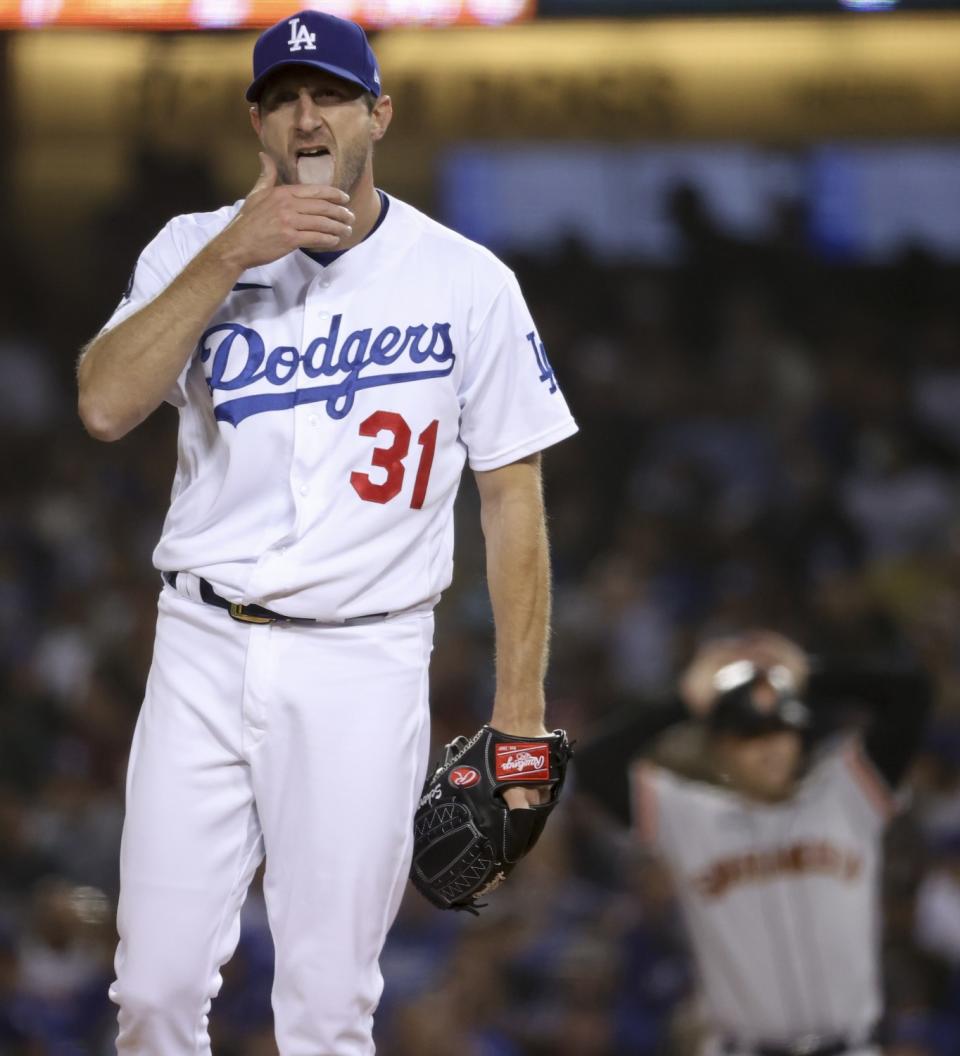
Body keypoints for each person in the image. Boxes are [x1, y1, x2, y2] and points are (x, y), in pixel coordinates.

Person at [76, 10, 577, 1054]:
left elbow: (512, 495)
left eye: (333, 94)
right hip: (203, 646)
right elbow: (104, 404)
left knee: (327, 1006)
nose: (309, 115)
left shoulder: (466, 280)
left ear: (376, 116)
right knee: (155, 991)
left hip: (365, 655)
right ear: (258, 123)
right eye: (284, 97)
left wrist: (520, 711)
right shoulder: (189, 247)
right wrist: (229, 256)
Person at [576, 631, 932, 1056]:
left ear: (799, 737)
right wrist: (691, 699)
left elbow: (912, 692)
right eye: (750, 736)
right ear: (720, 751)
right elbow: (592, 765)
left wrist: (800, 675)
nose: (770, 747)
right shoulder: (689, 817)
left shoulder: (846, 792)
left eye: (782, 730)